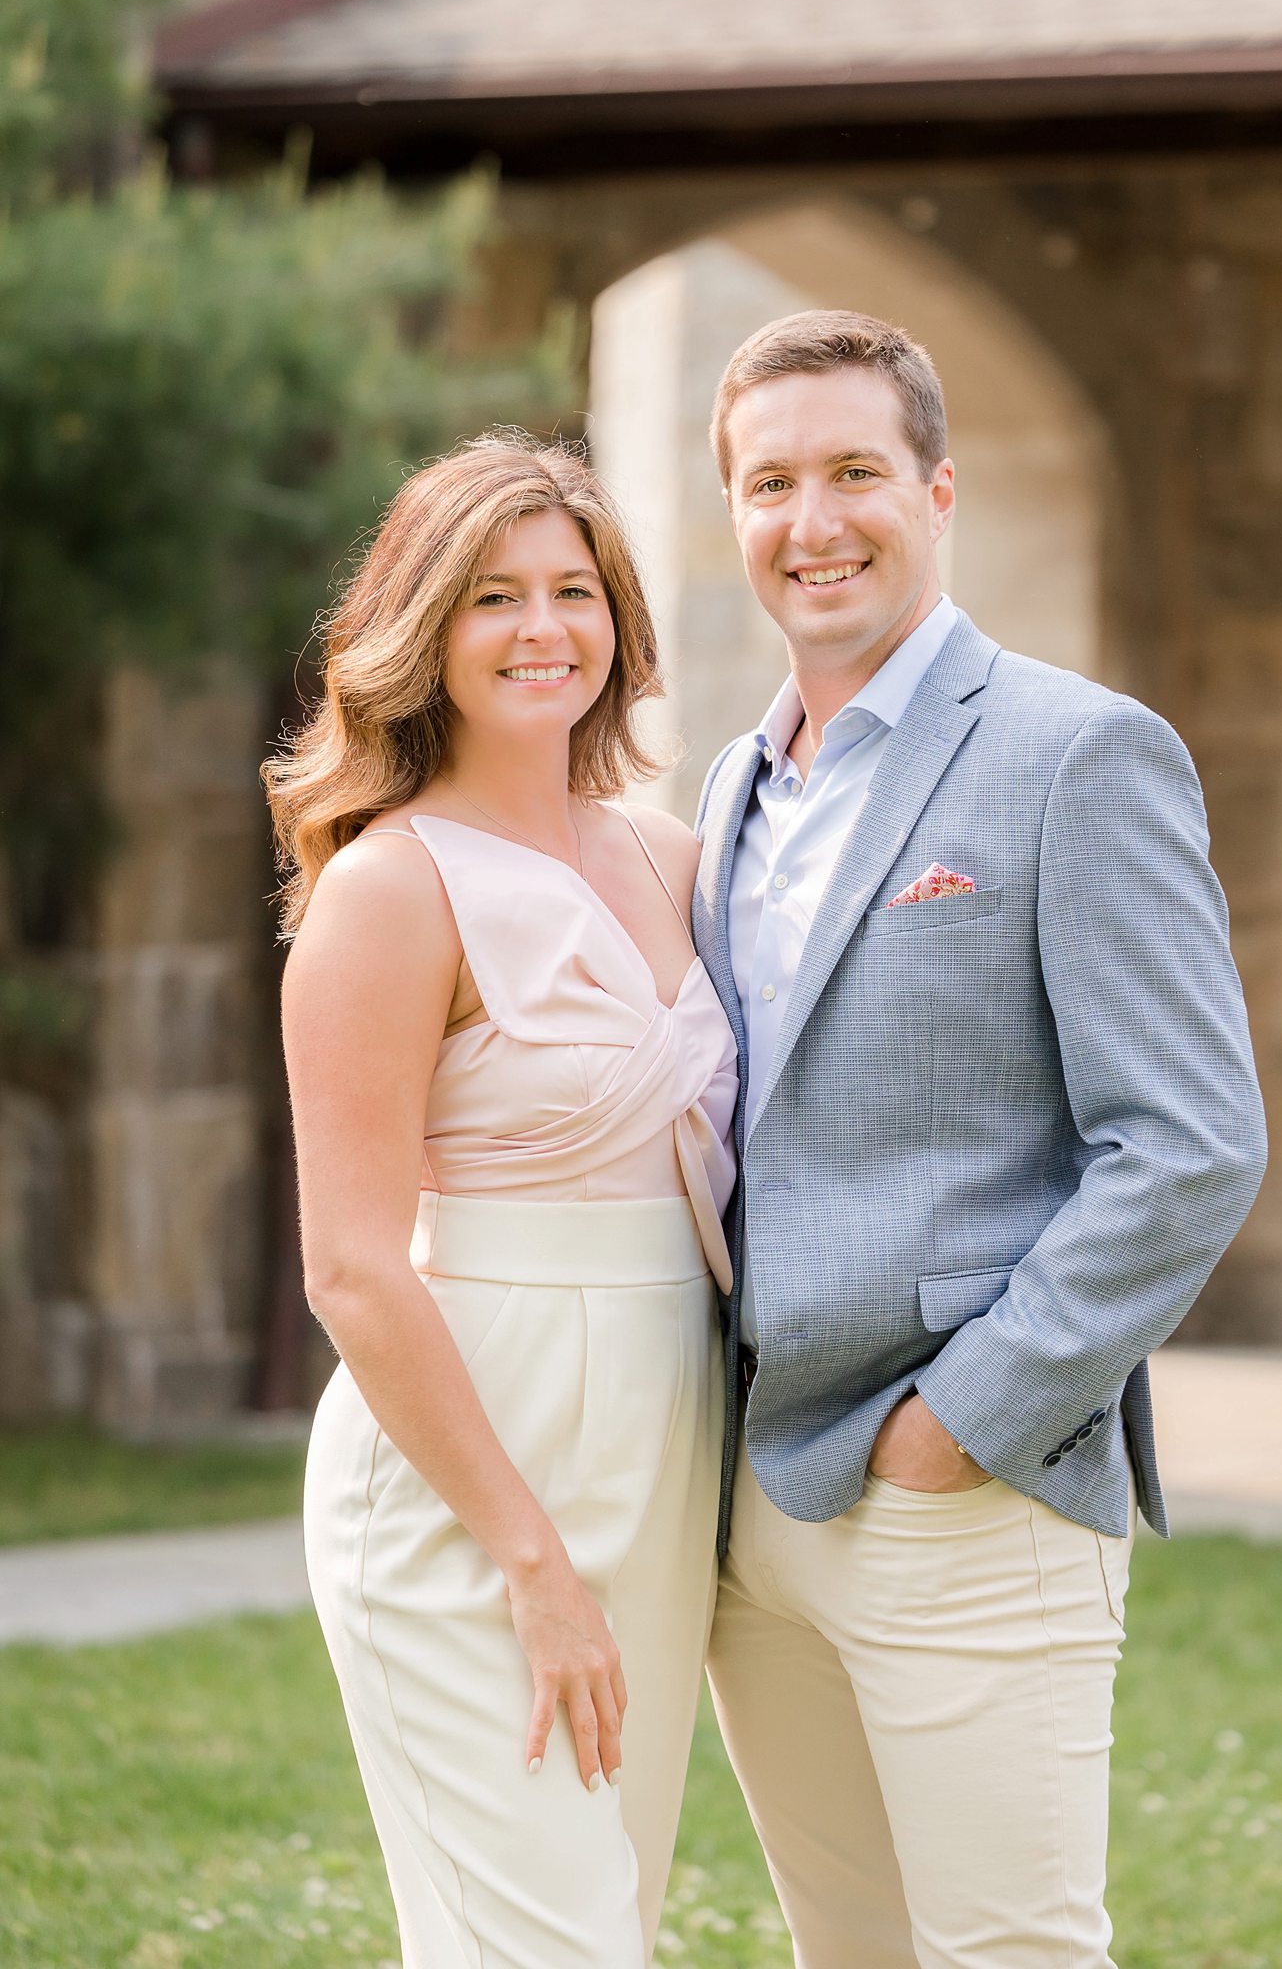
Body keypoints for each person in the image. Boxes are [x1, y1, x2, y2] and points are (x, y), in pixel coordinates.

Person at [691, 311, 1268, 1969]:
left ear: (937, 491)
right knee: (846, 1956)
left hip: (968, 1494)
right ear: (734, 512)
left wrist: (964, 1419)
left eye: (856, 471)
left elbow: (1189, 1143)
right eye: (772, 482)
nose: (816, 522)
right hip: (755, 1509)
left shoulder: (1076, 754)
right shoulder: (736, 787)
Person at [265, 433, 737, 1969]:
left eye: (573, 591)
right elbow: (351, 1271)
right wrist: (526, 1557)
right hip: (472, 1471)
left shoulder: (673, 859)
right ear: (423, 634)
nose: (545, 630)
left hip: (668, 1440)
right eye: (492, 599)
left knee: (613, 1914)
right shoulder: (390, 889)